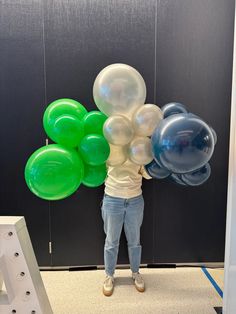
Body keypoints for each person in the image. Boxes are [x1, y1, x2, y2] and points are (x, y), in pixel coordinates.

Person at [101, 159, 152, 296]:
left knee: (134, 241)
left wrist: (155, 168)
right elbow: (100, 170)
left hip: (135, 199)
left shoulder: (139, 144)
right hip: (112, 198)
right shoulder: (108, 145)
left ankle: (135, 273)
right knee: (111, 241)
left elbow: (146, 173)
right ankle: (109, 276)